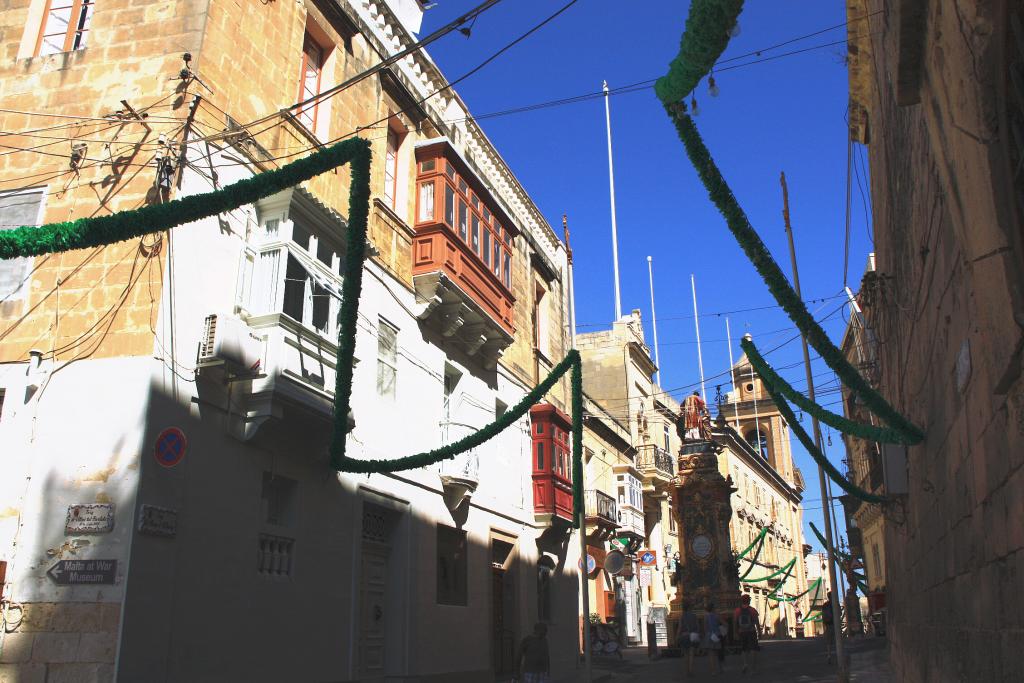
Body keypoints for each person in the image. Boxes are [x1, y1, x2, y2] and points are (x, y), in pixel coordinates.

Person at [734, 594, 760, 674]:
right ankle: (753, 668)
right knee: (753, 649)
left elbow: (735, 622)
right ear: (749, 601)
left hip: (742, 632)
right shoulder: (752, 610)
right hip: (751, 631)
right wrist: (759, 632)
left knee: (744, 649)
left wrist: (735, 632)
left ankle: (745, 663)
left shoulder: (737, 610)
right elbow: (756, 622)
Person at [675, 602, 700, 677]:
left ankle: (686, 671)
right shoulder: (694, 616)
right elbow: (698, 626)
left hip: (684, 636)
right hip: (692, 636)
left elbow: (679, 628)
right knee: (692, 654)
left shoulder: (681, 616)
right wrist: (697, 633)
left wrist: (677, 637)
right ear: (689, 608)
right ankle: (691, 670)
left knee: (686, 655)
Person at [703, 602, 723, 676]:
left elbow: (705, 627)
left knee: (711, 654)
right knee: (718, 653)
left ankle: (713, 671)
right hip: (717, 635)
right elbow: (724, 623)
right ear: (713, 608)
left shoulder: (706, 616)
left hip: (709, 635)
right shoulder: (716, 616)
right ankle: (720, 668)